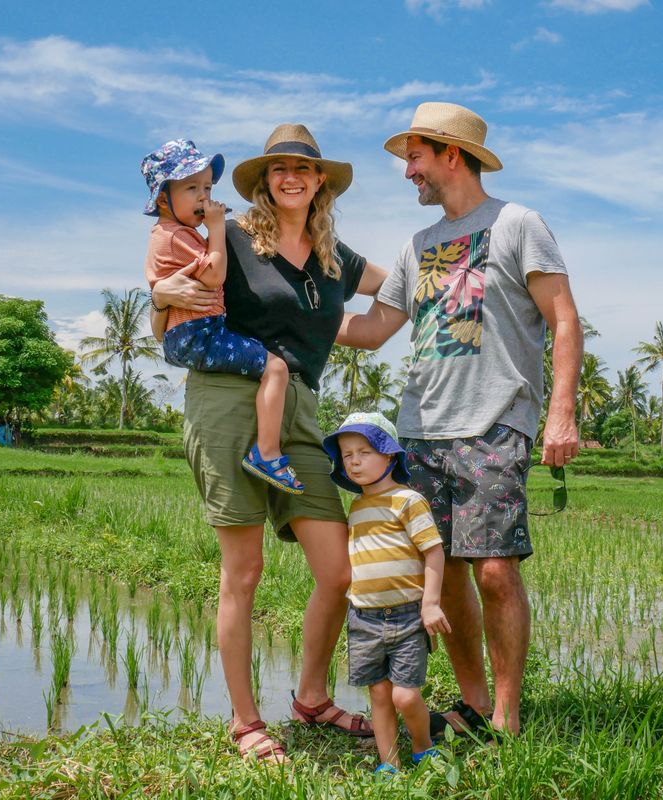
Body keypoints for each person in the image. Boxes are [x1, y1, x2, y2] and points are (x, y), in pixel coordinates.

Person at [338, 102, 583, 739]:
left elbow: (563, 318)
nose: (407, 172)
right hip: (421, 430)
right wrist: (287, 320)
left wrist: (560, 415)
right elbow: (370, 331)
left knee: (496, 570)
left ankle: (507, 716)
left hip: (494, 423)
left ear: (451, 153)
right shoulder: (416, 246)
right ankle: (473, 703)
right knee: (440, 571)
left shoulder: (516, 223)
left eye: (414, 157)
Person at [150, 124, 390, 763]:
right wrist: (154, 298)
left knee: (337, 570)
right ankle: (246, 720)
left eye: (304, 170)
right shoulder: (228, 235)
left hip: (301, 410)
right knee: (244, 571)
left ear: (321, 183)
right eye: (278, 169)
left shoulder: (337, 258)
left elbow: (391, 301)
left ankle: (312, 699)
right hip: (229, 398)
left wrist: (453, 287)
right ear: (262, 181)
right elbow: (172, 285)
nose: (292, 178)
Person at [141, 139, 301, 493]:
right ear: (163, 198)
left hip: (187, 332)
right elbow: (214, 276)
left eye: (208, 188)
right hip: (200, 332)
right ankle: (267, 452)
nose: (204, 197)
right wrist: (216, 228)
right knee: (276, 368)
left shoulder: (176, 234)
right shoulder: (175, 236)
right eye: (192, 188)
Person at [321, 412, 451, 775]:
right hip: (364, 617)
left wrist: (431, 604)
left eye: (364, 451)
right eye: (347, 455)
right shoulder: (357, 507)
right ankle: (388, 763)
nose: (355, 461)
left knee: (404, 695)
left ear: (390, 456)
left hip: (408, 615)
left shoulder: (408, 501)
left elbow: (433, 551)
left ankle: (423, 746)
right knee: (379, 694)